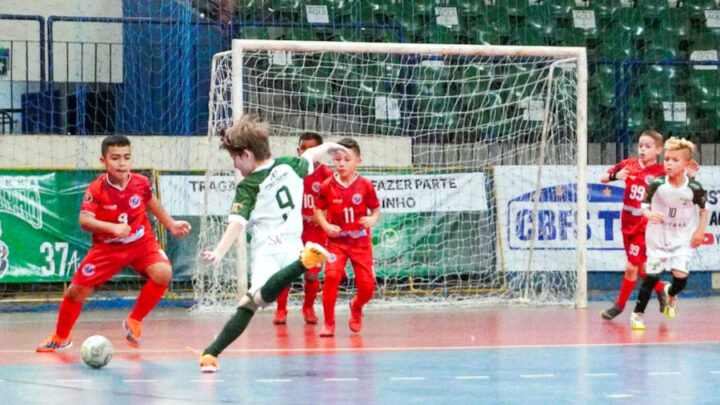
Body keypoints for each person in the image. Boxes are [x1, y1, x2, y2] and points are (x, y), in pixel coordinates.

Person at [198, 116, 347, 373]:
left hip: (268, 249)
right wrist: (330, 145)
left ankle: (305, 262)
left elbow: (236, 223)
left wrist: (219, 252)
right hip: (293, 244)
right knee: (250, 303)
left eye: (234, 158)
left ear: (246, 155)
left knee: (257, 301)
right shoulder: (289, 164)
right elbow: (311, 154)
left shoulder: (248, 186)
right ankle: (210, 353)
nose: (234, 164)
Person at [37, 135, 192, 352]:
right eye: (116, 158)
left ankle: (135, 320)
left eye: (126, 158)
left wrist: (171, 223)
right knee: (75, 292)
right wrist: (113, 229)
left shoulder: (141, 182)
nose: (122, 163)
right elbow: (85, 221)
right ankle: (61, 337)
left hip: (141, 243)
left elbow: (149, 201)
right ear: (104, 161)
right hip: (108, 248)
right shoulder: (96, 189)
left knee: (163, 273)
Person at [630, 137, 707, 330]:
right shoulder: (657, 184)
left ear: (686, 164)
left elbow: (704, 210)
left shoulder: (694, 188)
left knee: (680, 278)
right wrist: (649, 214)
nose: (669, 163)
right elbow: (644, 206)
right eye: (667, 159)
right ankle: (637, 314)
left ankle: (670, 293)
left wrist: (700, 231)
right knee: (652, 276)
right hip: (658, 239)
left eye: (675, 160)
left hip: (683, 239)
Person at [599, 130, 670, 320]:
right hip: (627, 222)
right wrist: (617, 176)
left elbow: (680, 179)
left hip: (644, 226)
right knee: (641, 268)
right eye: (640, 146)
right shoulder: (629, 165)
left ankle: (620, 306)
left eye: (648, 146)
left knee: (631, 266)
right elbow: (603, 177)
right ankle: (662, 289)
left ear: (658, 150)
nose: (642, 149)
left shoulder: (661, 171)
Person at [314, 138, 381, 337]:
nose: (341, 163)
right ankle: (328, 323)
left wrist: (371, 219)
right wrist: (325, 225)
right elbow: (318, 209)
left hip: (360, 243)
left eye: (346, 159)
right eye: (337, 159)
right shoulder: (327, 185)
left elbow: (376, 211)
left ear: (357, 161)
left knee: (367, 287)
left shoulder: (366, 185)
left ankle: (356, 305)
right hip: (337, 242)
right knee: (331, 277)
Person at [273, 132, 334, 325]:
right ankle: (281, 310)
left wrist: (323, 217)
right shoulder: (289, 172)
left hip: (315, 231)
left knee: (312, 273)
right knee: (287, 271)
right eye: (303, 149)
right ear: (298, 151)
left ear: (319, 152)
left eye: (311, 149)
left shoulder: (327, 175)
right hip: (292, 230)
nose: (307, 153)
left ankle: (308, 307)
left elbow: (336, 202)